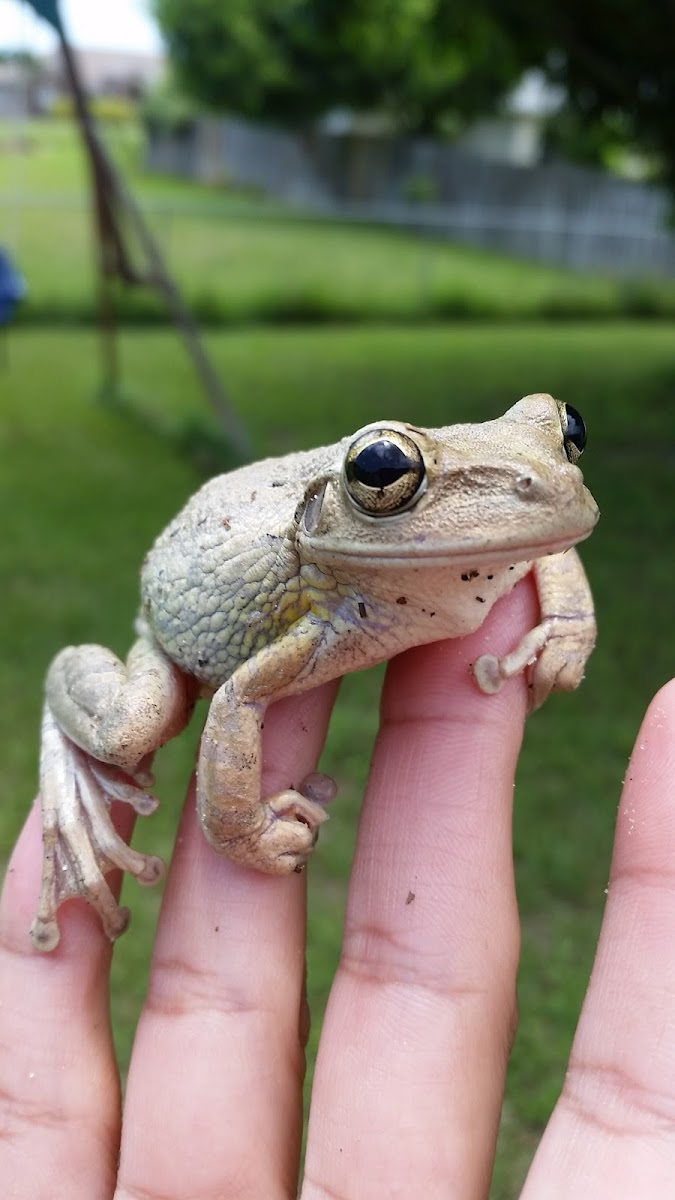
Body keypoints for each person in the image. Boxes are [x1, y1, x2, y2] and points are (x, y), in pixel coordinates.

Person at [1, 578, 674, 1199]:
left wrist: (568, 614)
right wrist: (242, 828)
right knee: (130, 727)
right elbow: (241, 693)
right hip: (188, 615)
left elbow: (541, 508)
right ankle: (65, 745)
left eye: (570, 440)